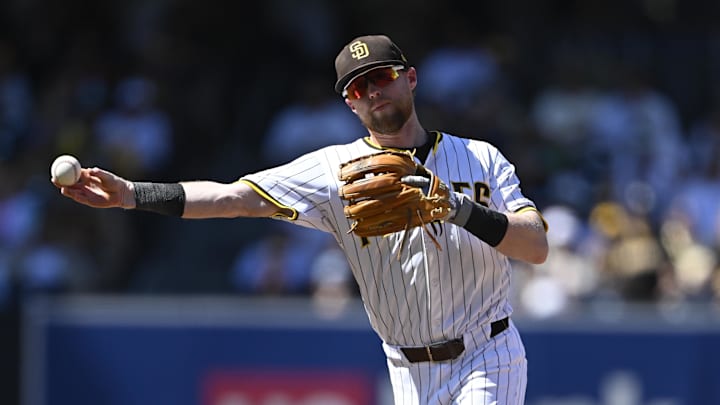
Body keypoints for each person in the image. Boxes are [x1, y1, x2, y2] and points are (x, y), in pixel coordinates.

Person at [53, 34, 548, 405]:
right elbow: (232, 197)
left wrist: (460, 209)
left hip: (489, 351)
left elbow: (536, 246)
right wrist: (132, 195)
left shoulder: (479, 158)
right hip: (406, 367)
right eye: (358, 87)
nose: (373, 91)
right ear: (350, 104)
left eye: (382, 76)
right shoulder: (332, 171)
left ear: (409, 78)